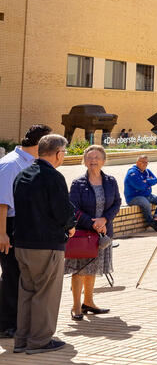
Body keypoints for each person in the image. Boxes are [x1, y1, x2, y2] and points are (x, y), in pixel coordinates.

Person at [11, 134, 74, 354]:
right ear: (58, 153)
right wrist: (70, 225)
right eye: (64, 153)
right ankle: (39, 341)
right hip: (46, 244)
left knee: (27, 293)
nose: (63, 157)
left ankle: (22, 340)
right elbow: (62, 211)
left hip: (22, 243)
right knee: (46, 294)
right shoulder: (53, 177)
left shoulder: (22, 174)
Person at [0, 125, 51, 339]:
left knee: (21, 275)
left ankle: (18, 322)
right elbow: (1, 203)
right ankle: (5, 325)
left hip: (22, 226)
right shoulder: (10, 164)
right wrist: (2, 234)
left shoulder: (29, 162)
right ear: (40, 144)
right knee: (11, 275)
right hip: (8, 226)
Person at [66, 145, 119, 322]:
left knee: (93, 269)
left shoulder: (110, 181)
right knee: (79, 269)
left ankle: (88, 302)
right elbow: (72, 208)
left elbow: (117, 203)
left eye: (97, 157)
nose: (93, 161)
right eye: (89, 158)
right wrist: (92, 223)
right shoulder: (78, 183)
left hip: (103, 233)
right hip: (83, 234)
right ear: (84, 161)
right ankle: (75, 306)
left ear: (103, 161)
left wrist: (104, 219)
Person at [124, 155, 157, 232]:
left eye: (146, 162)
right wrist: (148, 183)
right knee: (145, 203)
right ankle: (150, 221)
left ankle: (156, 220)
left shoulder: (147, 171)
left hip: (147, 195)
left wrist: (146, 181)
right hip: (134, 197)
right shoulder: (132, 173)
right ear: (137, 162)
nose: (145, 164)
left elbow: (156, 180)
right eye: (143, 162)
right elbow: (140, 186)